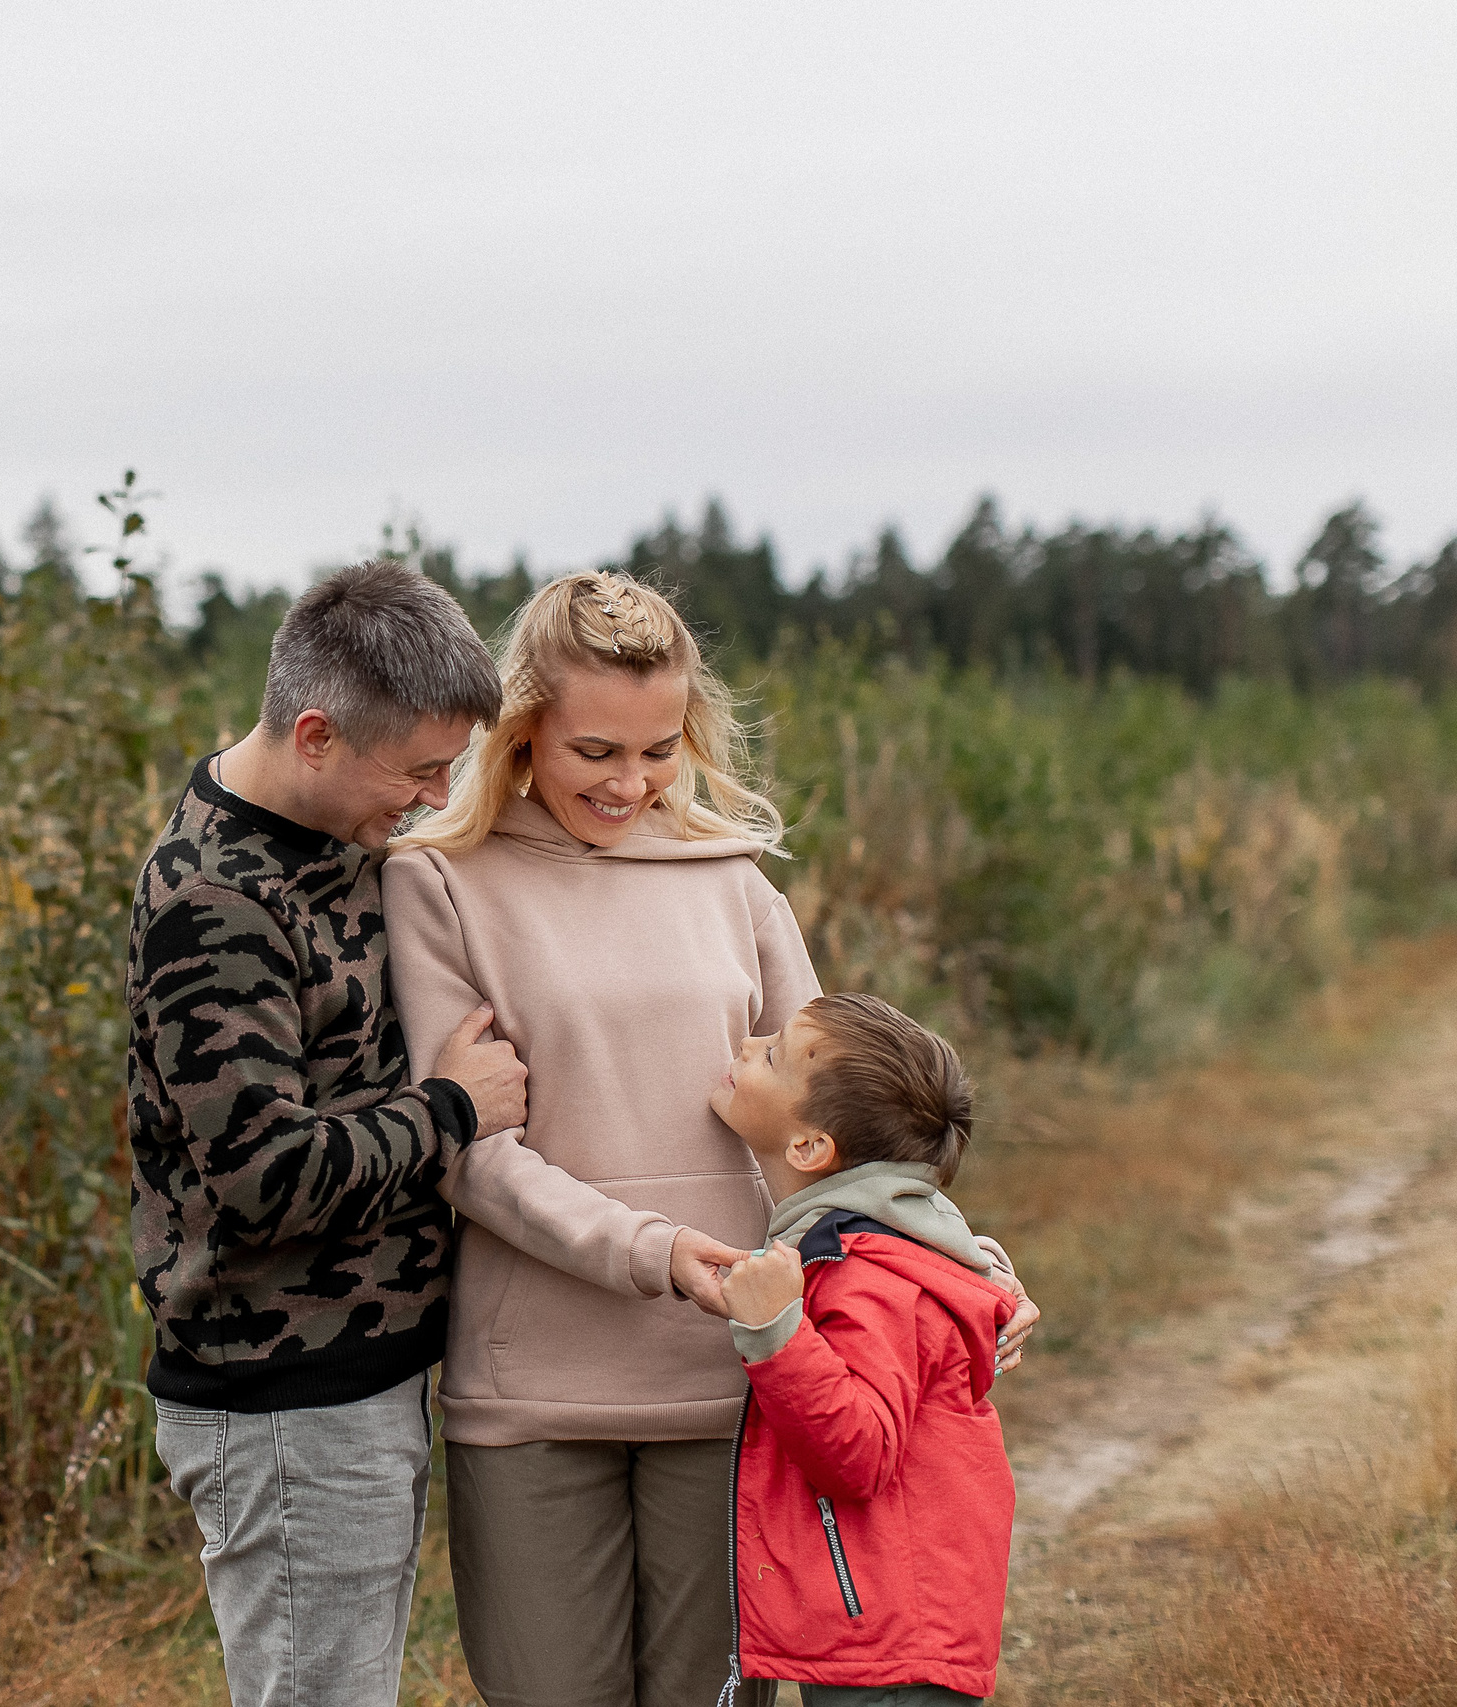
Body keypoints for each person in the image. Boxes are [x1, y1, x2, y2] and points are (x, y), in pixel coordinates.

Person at [382, 571, 1037, 1707]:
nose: (630, 783)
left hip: (739, 1379)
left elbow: (843, 1124)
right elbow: (466, 1149)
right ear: (522, 723)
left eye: (658, 748)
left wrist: (963, 1267)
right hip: (532, 1391)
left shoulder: (731, 878)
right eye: (596, 751)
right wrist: (656, 1251)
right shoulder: (438, 878)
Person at [128, 559, 527, 1707]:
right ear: (314, 734)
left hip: (355, 1382)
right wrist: (453, 1108)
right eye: (416, 772)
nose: (429, 796)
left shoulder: (324, 836)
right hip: (285, 1401)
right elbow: (260, 1174)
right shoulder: (218, 900)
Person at [710, 993, 1019, 1707]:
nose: (749, 1041)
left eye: (773, 1053)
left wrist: (775, 1330)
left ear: (810, 1147)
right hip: (888, 1627)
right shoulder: (874, 1241)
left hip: (891, 1646)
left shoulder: (871, 1270)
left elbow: (857, 1448)